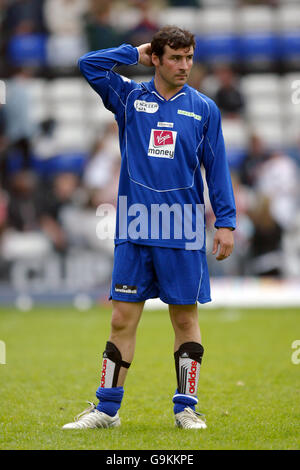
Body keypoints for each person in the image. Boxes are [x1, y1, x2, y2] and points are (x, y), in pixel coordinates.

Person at [63, 26, 236, 430]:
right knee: (121, 319)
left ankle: (186, 408)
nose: (184, 66)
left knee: (184, 319)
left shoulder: (205, 109)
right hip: (135, 225)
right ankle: (106, 410)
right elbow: (88, 65)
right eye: (175, 58)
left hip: (184, 226)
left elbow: (218, 168)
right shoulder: (129, 97)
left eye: (189, 57)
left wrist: (225, 222)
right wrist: (131, 52)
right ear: (155, 58)